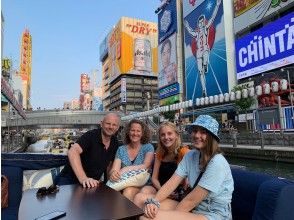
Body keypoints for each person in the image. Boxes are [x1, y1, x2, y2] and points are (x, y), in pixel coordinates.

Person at [142, 115, 234, 220]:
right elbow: (171, 183)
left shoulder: (218, 162)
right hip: (195, 209)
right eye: (195, 131)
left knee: (148, 218)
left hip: (213, 214)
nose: (196, 135)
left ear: (211, 136)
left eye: (203, 132)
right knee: (145, 208)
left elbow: (191, 200)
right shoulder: (191, 156)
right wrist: (154, 202)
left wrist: (170, 216)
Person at [55, 113, 121, 188]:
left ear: (117, 127)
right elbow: (73, 151)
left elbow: (109, 165)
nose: (111, 127)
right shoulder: (91, 136)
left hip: (91, 183)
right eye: (108, 123)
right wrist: (83, 178)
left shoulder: (115, 142)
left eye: (114, 125)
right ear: (101, 124)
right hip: (69, 180)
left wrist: (108, 185)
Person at [134, 122, 190, 209]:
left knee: (140, 198)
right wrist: (161, 190)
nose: (166, 137)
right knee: (144, 190)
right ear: (160, 138)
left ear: (176, 135)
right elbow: (154, 178)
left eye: (169, 133)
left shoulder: (183, 152)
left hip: (175, 193)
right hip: (160, 188)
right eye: (163, 135)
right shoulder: (160, 153)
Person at [109, 119, 154, 201]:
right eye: (132, 130)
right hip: (123, 184)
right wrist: (113, 174)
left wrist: (126, 169)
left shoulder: (148, 147)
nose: (135, 133)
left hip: (144, 184)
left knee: (128, 191)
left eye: (138, 131)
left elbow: (146, 165)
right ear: (128, 132)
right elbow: (114, 169)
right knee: (122, 191)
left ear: (142, 133)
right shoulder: (121, 149)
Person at [184, 0, 221, 97]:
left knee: (205, 56)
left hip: (205, 49)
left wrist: (217, 5)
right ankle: (204, 90)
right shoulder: (196, 33)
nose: (201, 24)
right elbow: (190, 31)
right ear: (198, 24)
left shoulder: (206, 29)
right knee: (201, 72)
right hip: (198, 52)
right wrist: (186, 26)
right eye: (200, 23)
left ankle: (206, 64)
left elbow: (212, 18)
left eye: (202, 22)